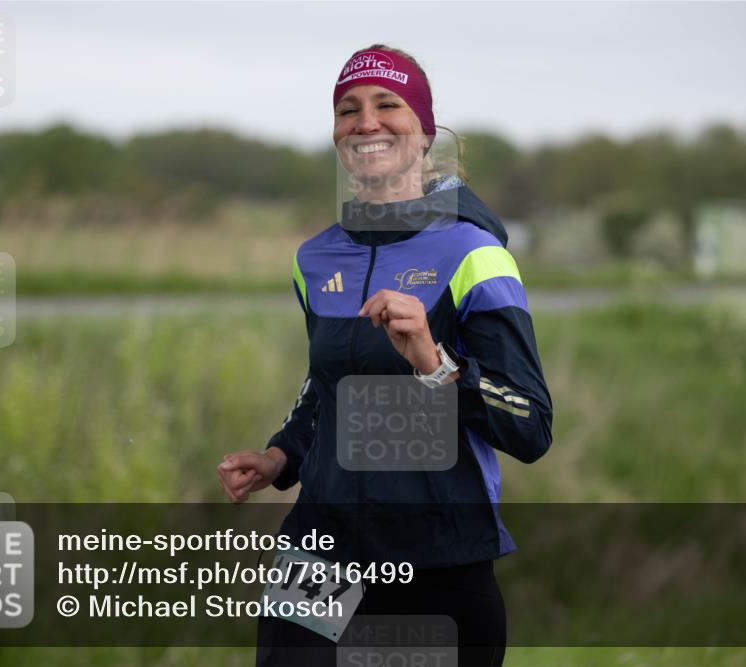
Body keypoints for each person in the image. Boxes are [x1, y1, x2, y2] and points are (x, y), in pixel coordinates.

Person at [218, 44, 553, 667]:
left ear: (424, 131)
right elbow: (328, 383)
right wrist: (281, 455)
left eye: (387, 105)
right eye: (348, 109)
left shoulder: (474, 255)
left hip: (436, 554)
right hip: (319, 547)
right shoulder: (314, 259)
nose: (366, 122)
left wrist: (434, 362)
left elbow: (530, 424)